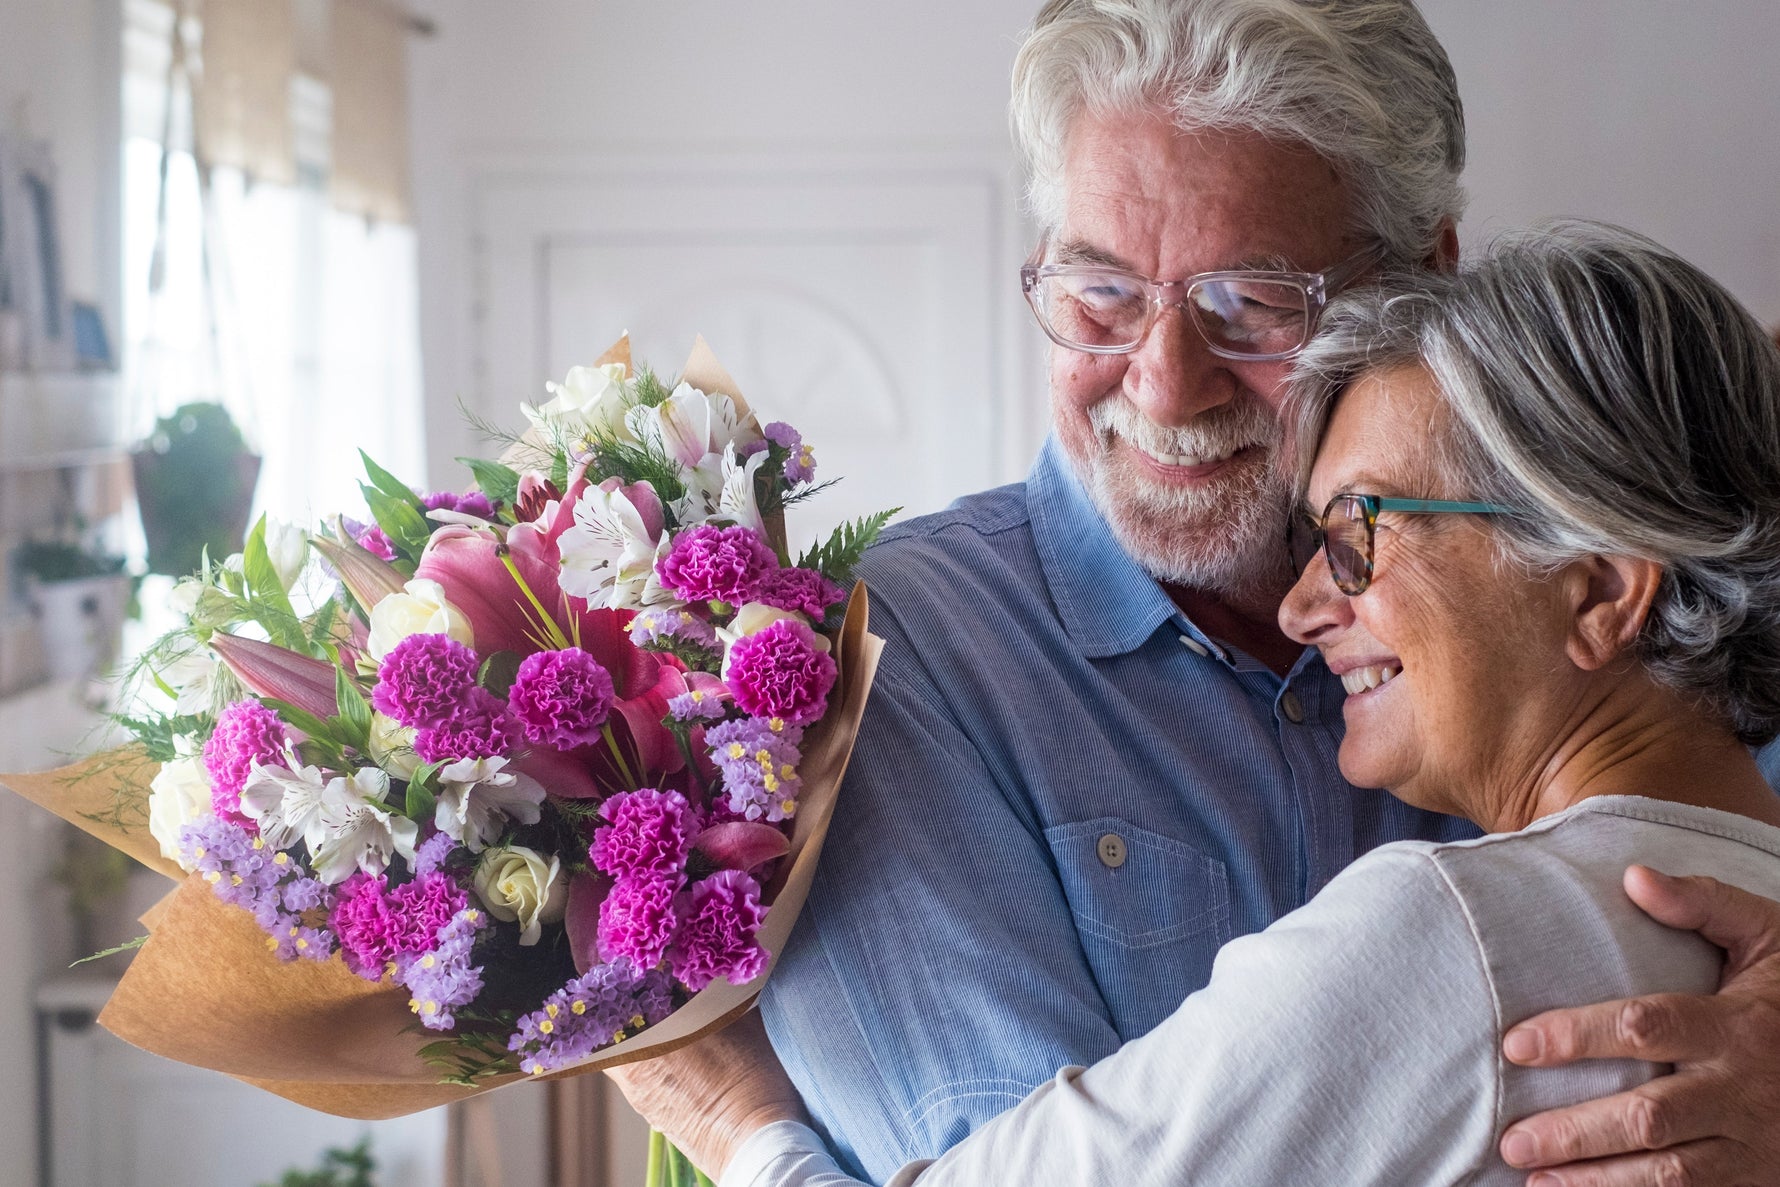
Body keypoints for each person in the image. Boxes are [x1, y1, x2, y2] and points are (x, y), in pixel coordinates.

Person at [616, 3, 1780, 1182]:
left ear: (1423, 278)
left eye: (1255, 301)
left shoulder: (1639, 636)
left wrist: (743, 1135)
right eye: (1101, 296)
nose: (1165, 385)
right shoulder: (883, 656)